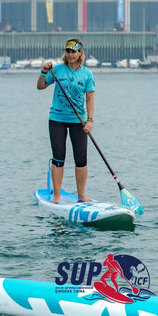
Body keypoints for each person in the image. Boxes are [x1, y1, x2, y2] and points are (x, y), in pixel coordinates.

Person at [37, 38, 95, 203]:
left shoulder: (87, 74)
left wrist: (90, 121)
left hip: (79, 121)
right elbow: (40, 86)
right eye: (68, 52)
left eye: (74, 52)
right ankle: (56, 195)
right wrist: (43, 72)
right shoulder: (57, 70)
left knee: (81, 159)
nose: (70, 55)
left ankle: (81, 195)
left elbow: (90, 100)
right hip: (57, 119)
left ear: (80, 53)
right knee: (58, 157)